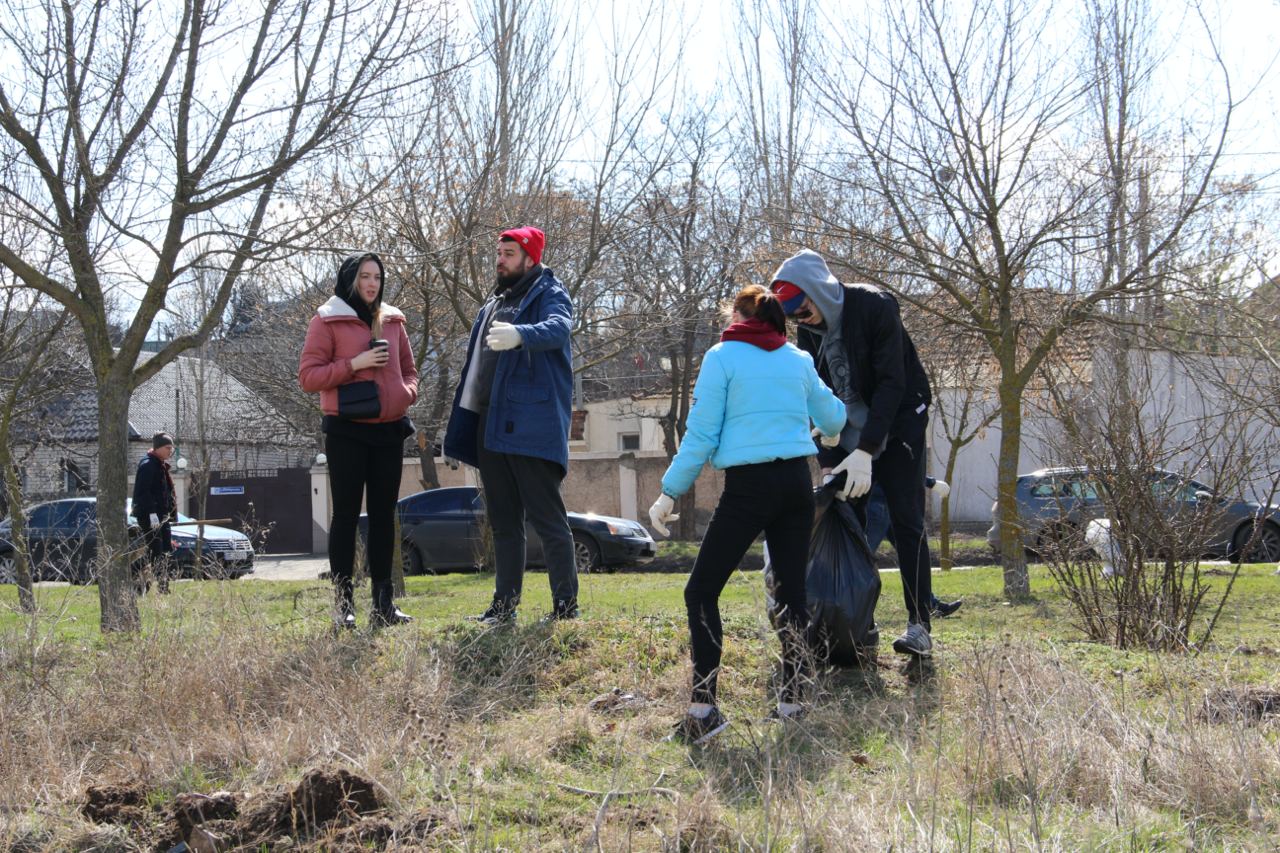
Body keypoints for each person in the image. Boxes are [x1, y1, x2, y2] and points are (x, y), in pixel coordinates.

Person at [647, 285, 846, 744]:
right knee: (793, 595)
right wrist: (824, 432)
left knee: (700, 592)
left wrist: (670, 491)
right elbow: (833, 417)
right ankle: (793, 702)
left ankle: (704, 710)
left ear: (737, 316)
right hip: (797, 483)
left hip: (749, 488)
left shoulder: (722, 356)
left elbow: (700, 435)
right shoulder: (798, 359)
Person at [770, 248, 937, 657]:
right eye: (790, 315)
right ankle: (858, 624)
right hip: (849, 430)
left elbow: (892, 384)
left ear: (818, 291)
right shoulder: (809, 330)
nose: (800, 320)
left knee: (906, 517)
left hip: (898, 422)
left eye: (801, 308)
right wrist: (827, 462)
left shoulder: (874, 307)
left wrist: (867, 450)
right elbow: (815, 394)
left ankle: (920, 626)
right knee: (852, 522)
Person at [443, 227, 578, 624]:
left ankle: (566, 610)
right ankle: (503, 610)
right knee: (503, 524)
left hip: (532, 426)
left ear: (530, 259)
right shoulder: (493, 303)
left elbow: (559, 329)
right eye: (499, 253)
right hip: (491, 425)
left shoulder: (549, 292)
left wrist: (520, 334)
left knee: (549, 521)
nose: (500, 260)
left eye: (509, 253)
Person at [299, 252, 418, 629]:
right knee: (347, 517)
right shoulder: (327, 320)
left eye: (377, 277)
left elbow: (411, 371)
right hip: (346, 431)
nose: (372, 284)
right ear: (350, 279)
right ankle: (344, 605)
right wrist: (356, 364)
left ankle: (384, 607)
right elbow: (308, 377)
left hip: (389, 429)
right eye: (365, 276)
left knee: (385, 517)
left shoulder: (394, 320)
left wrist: (406, 393)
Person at [863, 478, 962, 618]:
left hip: (888, 501)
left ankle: (928, 604)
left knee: (911, 556)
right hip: (876, 502)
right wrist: (930, 482)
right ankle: (842, 606)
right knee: (859, 558)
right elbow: (897, 467)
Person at [131, 432, 178, 593]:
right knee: (154, 552)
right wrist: (151, 513)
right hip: (149, 515)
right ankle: (129, 572)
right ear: (157, 448)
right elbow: (143, 492)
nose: (170, 451)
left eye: (171, 447)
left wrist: (171, 514)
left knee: (166, 551)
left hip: (162, 516)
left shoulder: (159, 464)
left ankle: (164, 587)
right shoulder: (148, 465)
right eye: (167, 447)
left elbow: (166, 493)